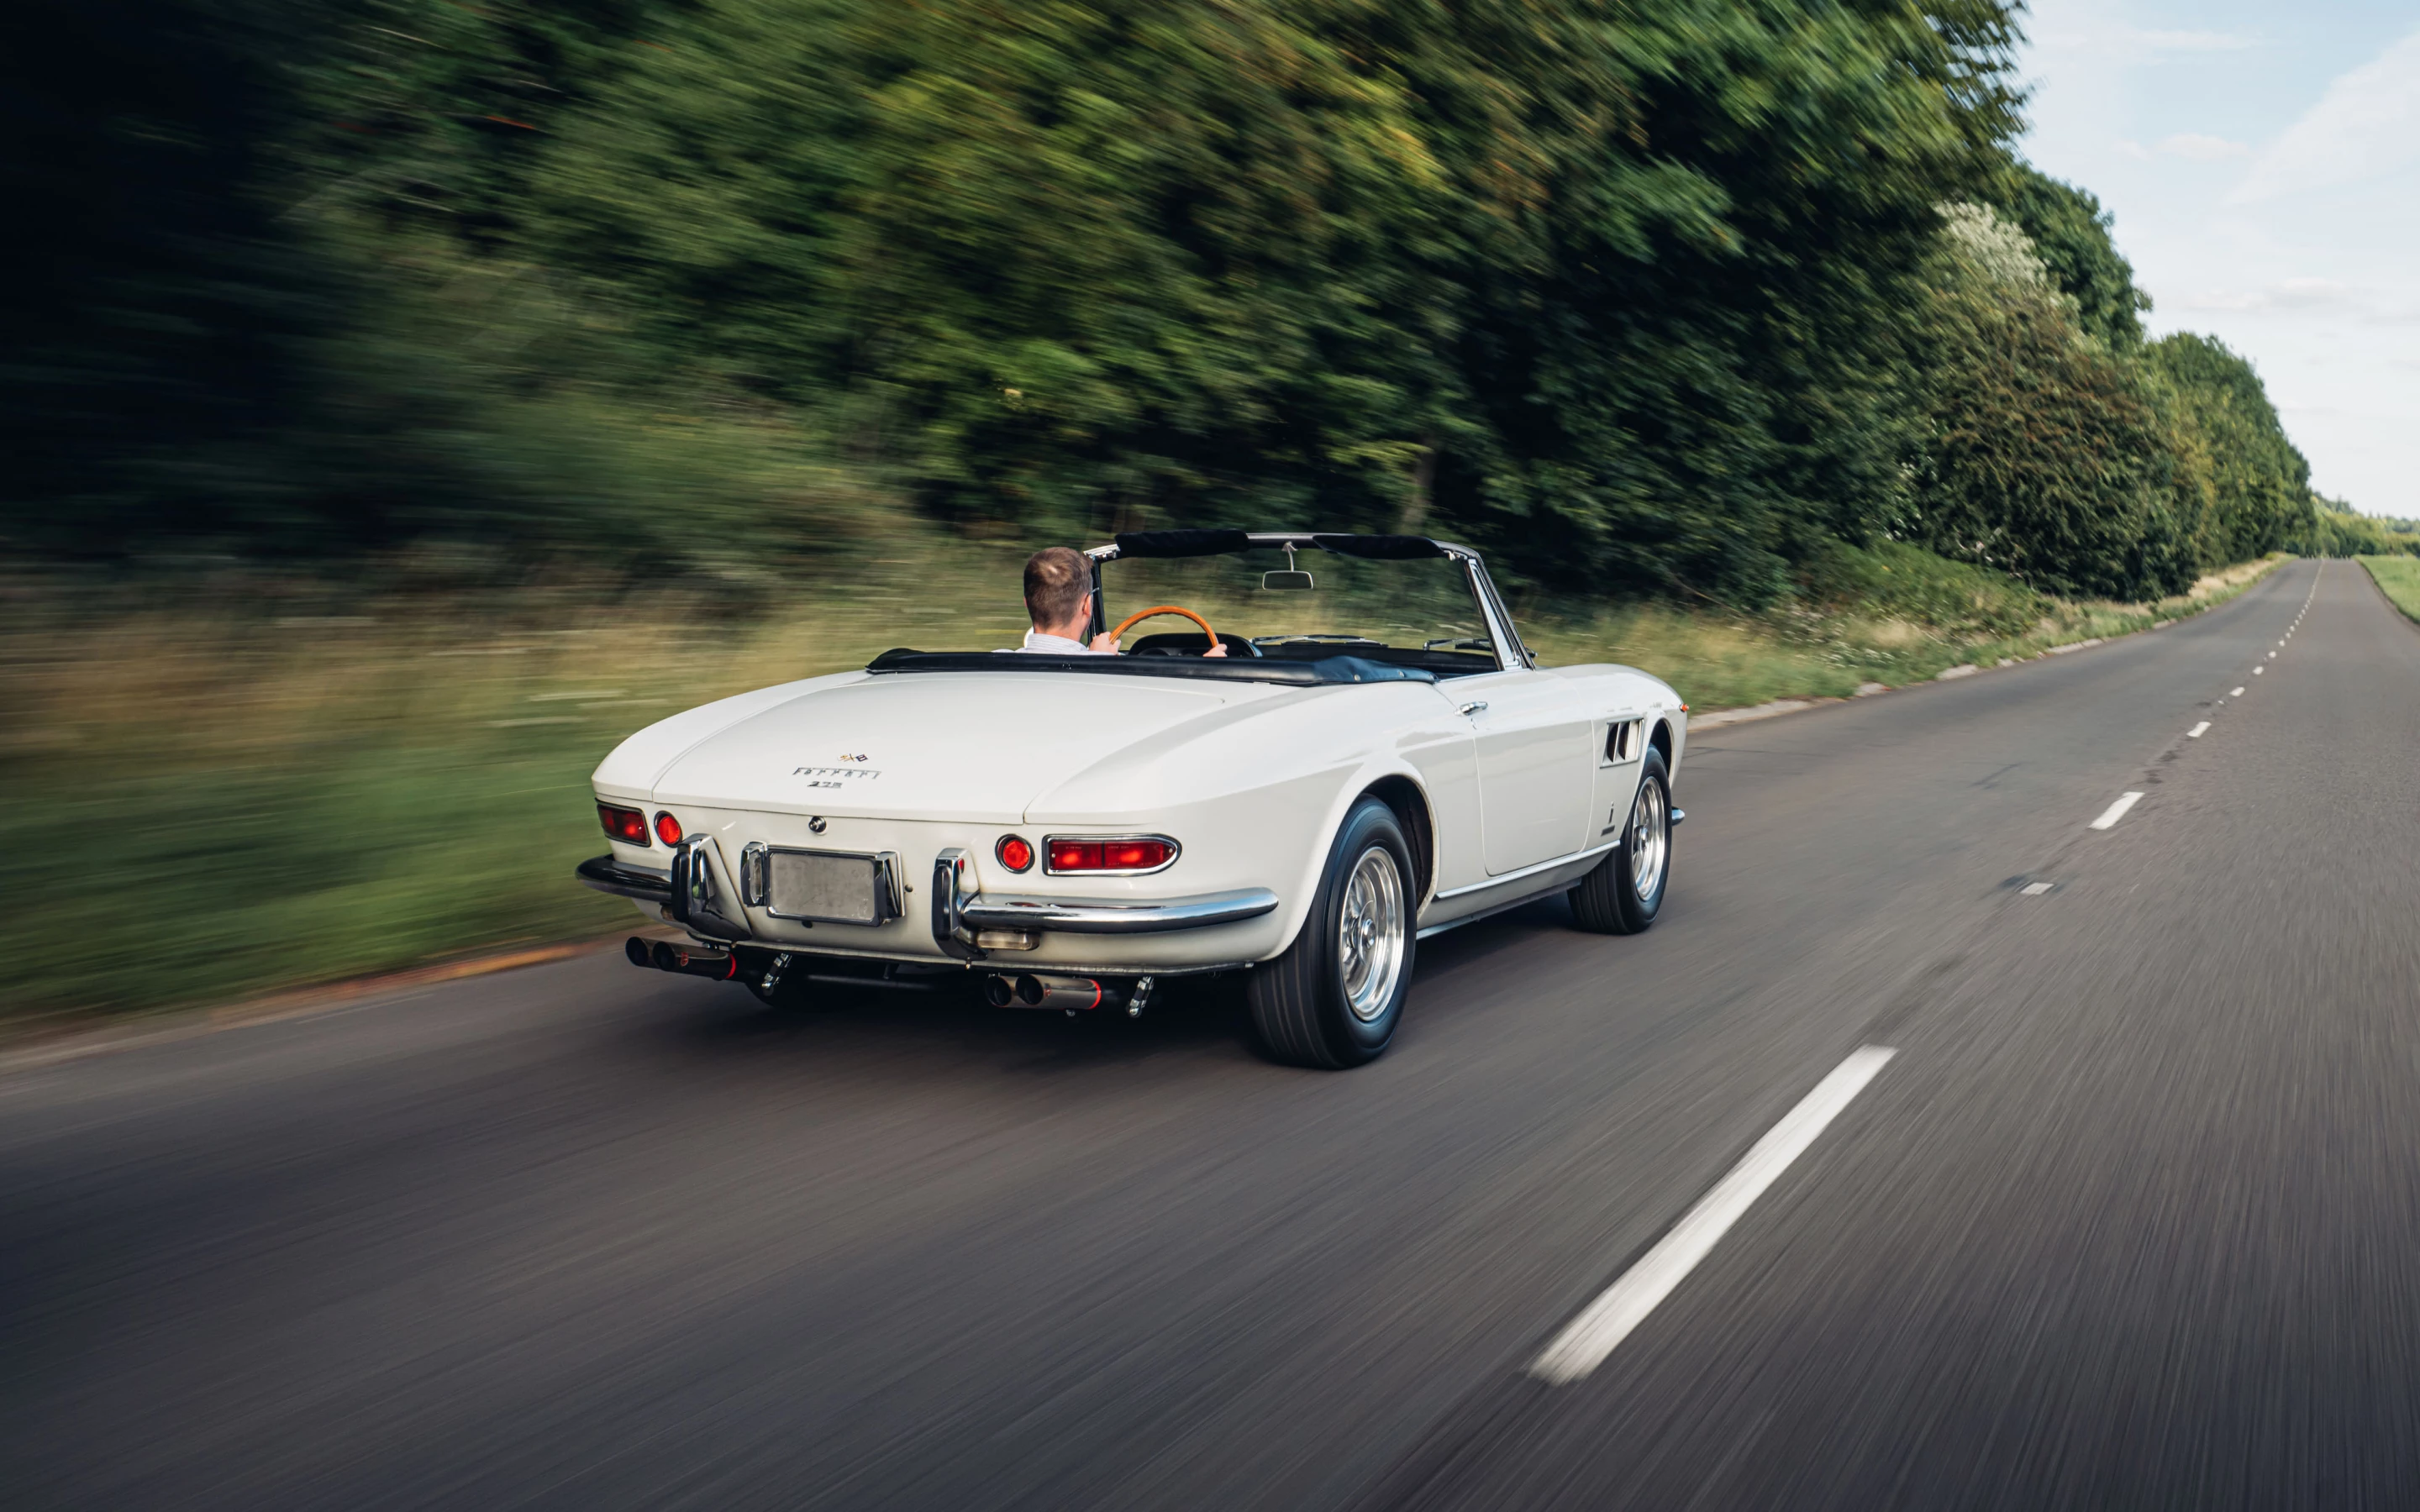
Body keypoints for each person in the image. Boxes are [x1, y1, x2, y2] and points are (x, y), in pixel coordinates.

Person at [1018, 546, 1225, 656]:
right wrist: (1209, 668)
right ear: (1087, 606)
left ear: (1027, 603)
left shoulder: (1000, 663)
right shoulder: (1103, 672)